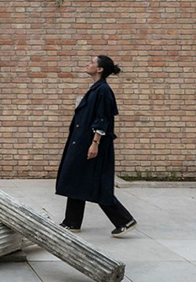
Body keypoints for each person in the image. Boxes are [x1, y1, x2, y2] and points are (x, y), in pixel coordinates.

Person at [55, 55, 138, 236]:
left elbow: (102, 119)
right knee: (77, 178)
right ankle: (72, 221)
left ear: (100, 69)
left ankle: (124, 219)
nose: (88, 63)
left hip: (91, 143)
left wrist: (95, 144)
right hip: (83, 142)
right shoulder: (96, 89)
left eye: (91, 62)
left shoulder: (103, 91)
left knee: (96, 183)